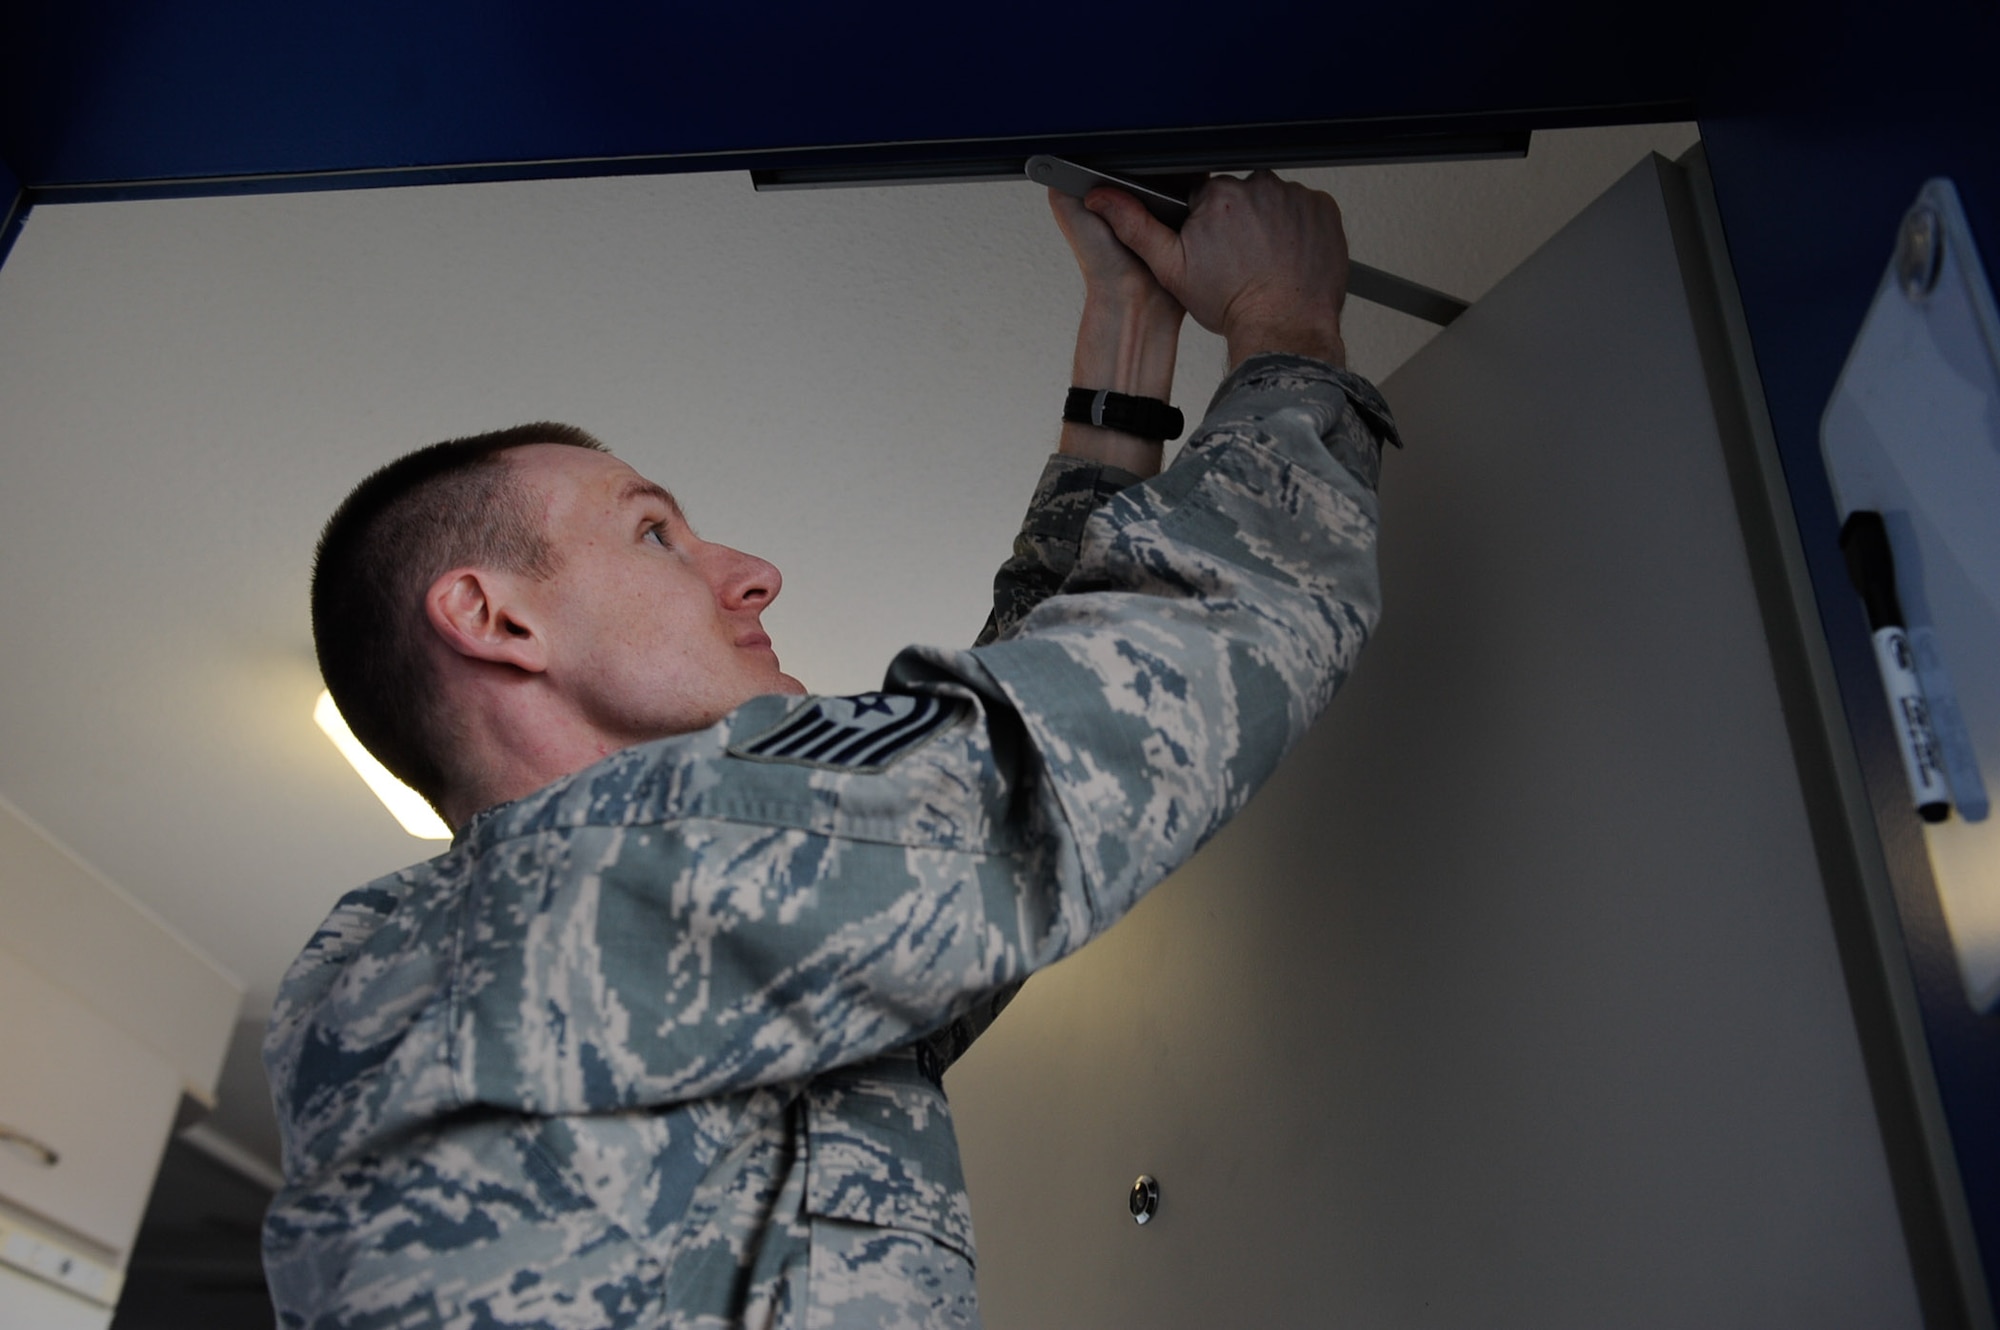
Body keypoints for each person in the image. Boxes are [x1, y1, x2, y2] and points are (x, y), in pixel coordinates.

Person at [264, 170, 1398, 1329]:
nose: (751, 572)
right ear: (495, 619)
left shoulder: (592, 956)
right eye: (655, 531)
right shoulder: (584, 890)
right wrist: (1282, 324)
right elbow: (1130, 704)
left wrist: (1123, 337)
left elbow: (996, 776)